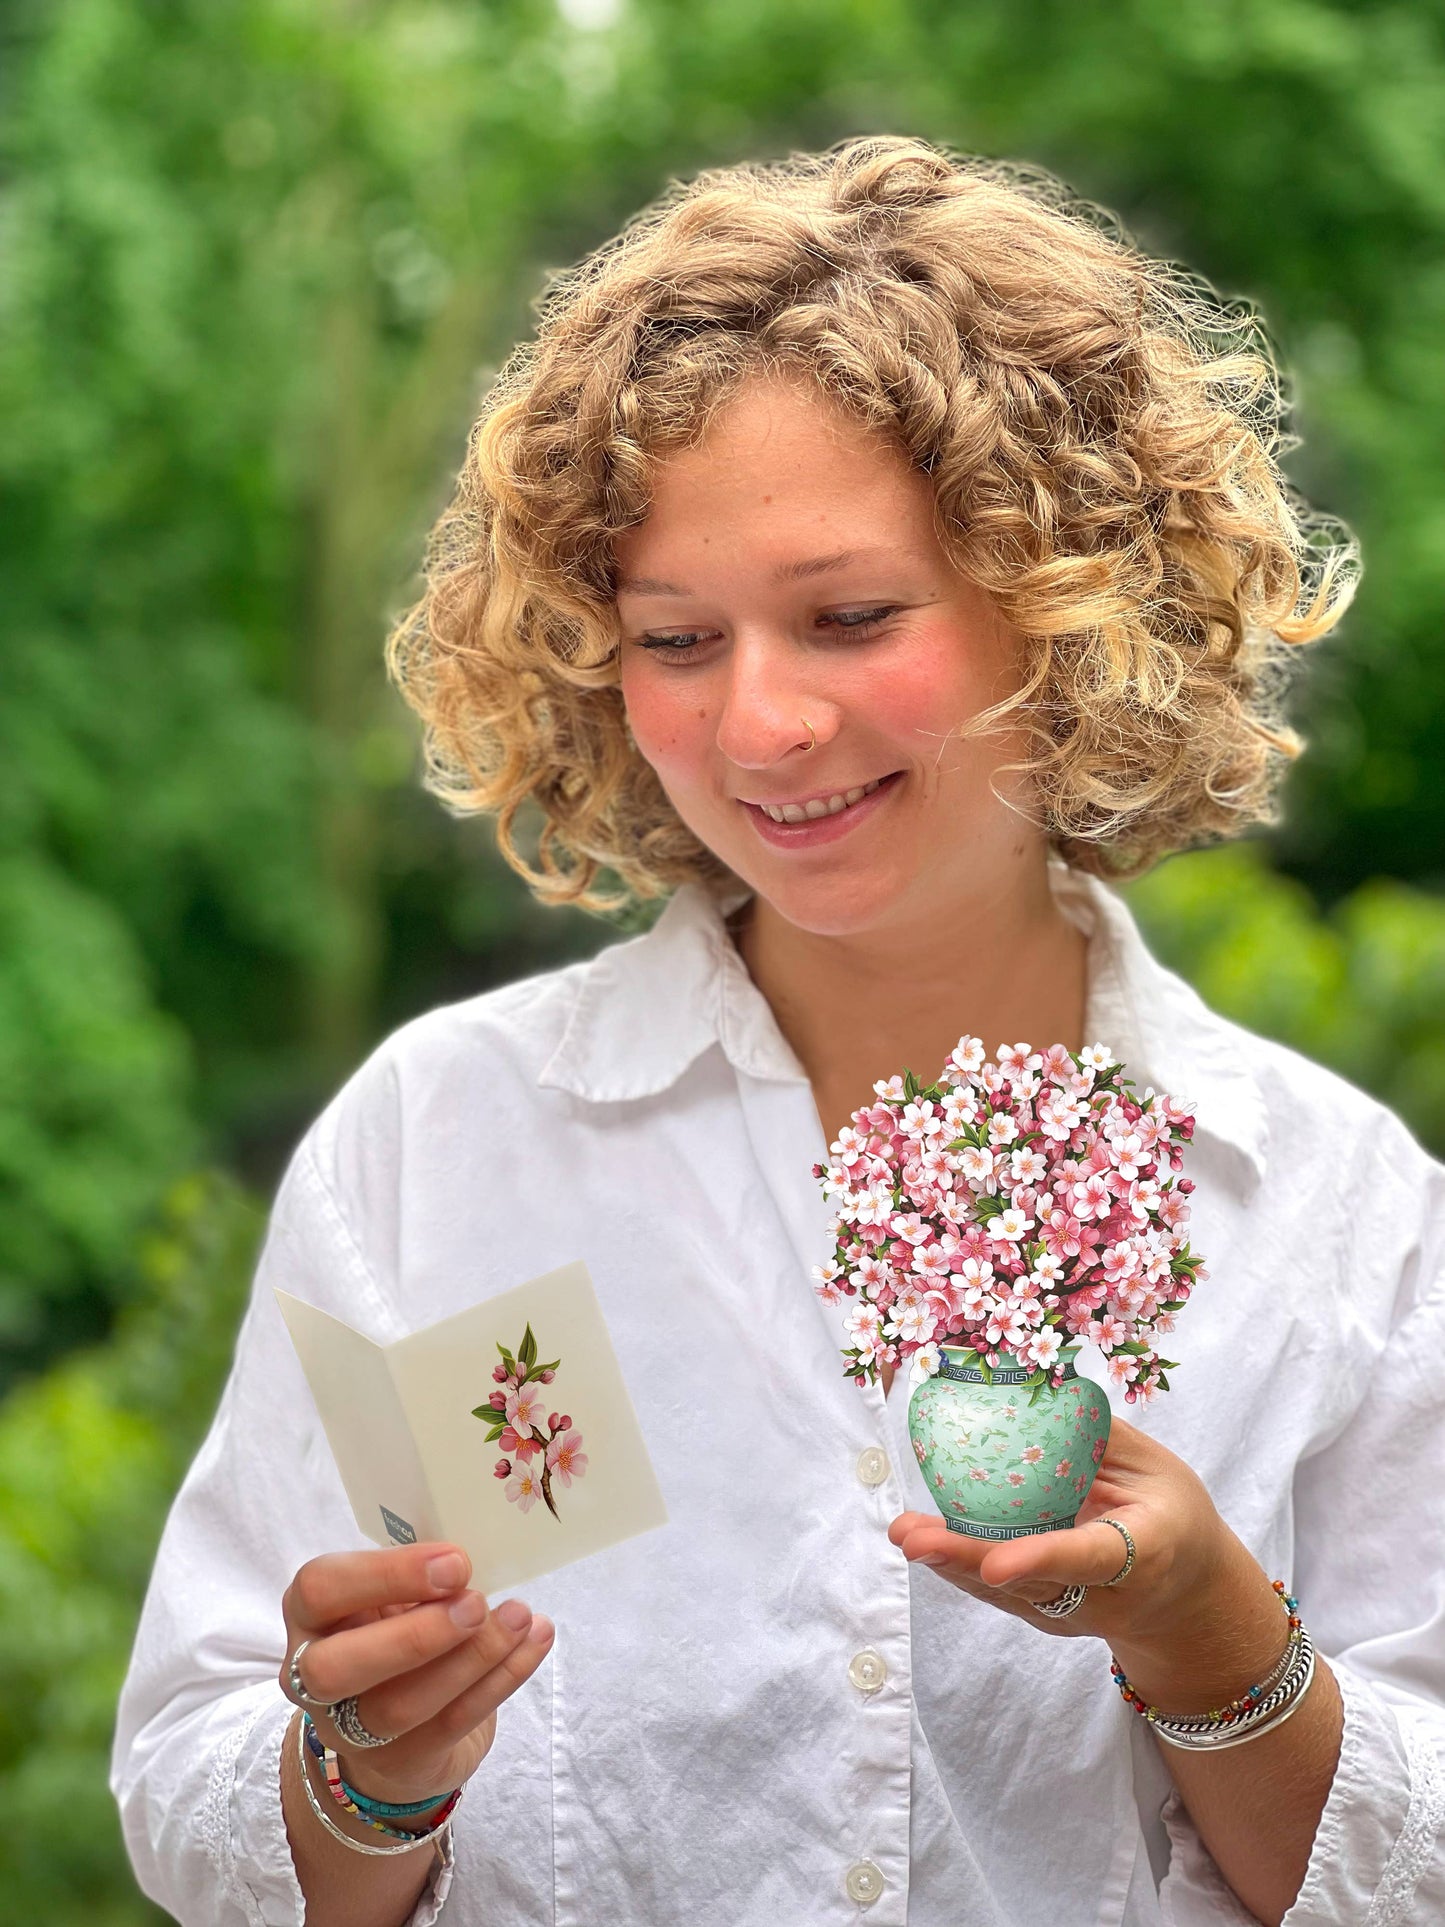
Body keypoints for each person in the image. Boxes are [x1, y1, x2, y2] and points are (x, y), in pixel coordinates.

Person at [112, 136, 1445, 1927]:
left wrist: (1216, 1647)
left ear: (1063, 601)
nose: (760, 724)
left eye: (849, 618)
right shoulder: (443, 1144)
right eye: (673, 638)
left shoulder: (1328, 1209)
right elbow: (195, 1795)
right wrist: (361, 1770)